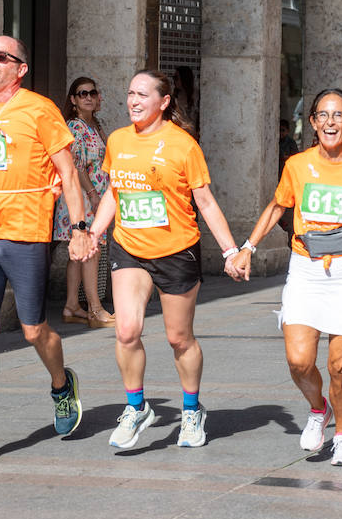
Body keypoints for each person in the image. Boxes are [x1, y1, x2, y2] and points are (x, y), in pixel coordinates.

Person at [0, 36, 91, 458]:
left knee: (32, 330)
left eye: (1, 57)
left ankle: (62, 384)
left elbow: (70, 174)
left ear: (20, 68)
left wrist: (80, 229)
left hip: (26, 234)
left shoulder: (40, 109)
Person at [231, 89, 342, 468]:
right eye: (322, 115)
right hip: (306, 268)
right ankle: (317, 408)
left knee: (340, 366)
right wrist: (247, 248)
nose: (330, 122)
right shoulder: (297, 165)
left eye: (338, 116)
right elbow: (277, 206)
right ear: (313, 123)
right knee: (299, 360)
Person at [88, 70, 246, 450]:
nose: (133, 101)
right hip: (129, 248)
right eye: (129, 93)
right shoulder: (119, 140)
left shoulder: (183, 145)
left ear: (164, 102)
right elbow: (114, 191)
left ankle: (191, 411)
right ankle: (136, 406)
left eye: (143, 94)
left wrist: (230, 251)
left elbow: (204, 201)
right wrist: (94, 233)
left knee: (179, 338)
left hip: (177, 251)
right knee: (126, 330)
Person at [53, 77, 115, 328]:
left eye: (92, 92)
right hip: (82, 199)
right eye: (82, 93)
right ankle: (95, 309)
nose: (88, 97)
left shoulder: (95, 125)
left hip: (93, 196)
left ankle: (71, 305)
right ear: (74, 100)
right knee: (91, 250)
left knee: (79, 255)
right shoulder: (75, 127)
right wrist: (92, 194)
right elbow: (75, 166)